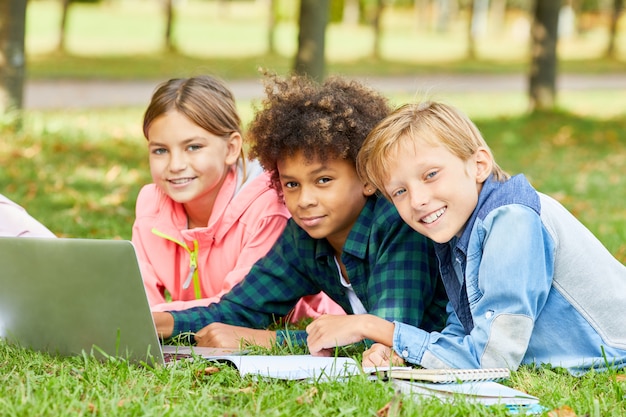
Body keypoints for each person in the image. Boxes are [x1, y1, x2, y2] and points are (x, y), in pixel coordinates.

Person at [153, 74, 448, 351]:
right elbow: (241, 309)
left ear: (368, 177)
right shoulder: (305, 235)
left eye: (323, 180)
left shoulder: (397, 222)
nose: (304, 200)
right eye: (291, 184)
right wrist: (162, 324)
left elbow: (387, 335)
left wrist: (266, 340)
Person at [354, 100, 626, 374]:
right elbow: (465, 333)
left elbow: (491, 359)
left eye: (431, 175)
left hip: (615, 352)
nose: (418, 200)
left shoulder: (512, 220)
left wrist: (377, 328)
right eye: (399, 191)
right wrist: (397, 349)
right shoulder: (462, 229)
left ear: (479, 165)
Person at [133, 75, 341, 320]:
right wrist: (139, 316)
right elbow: (137, 298)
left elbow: (238, 307)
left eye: (193, 147)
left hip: (309, 323)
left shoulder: (267, 207)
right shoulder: (151, 205)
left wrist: (150, 316)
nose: (175, 165)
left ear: (231, 148)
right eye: (160, 150)